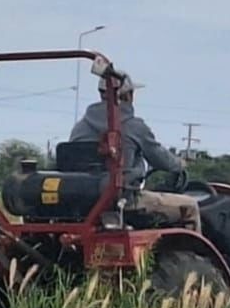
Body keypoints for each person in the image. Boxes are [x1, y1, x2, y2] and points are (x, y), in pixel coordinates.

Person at [69, 73, 201, 232]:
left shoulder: (80, 127)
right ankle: (194, 254)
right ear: (129, 95)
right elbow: (162, 160)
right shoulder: (133, 126)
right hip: (122, 199)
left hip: (82, 199)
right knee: (190, 206)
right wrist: (180, 163)